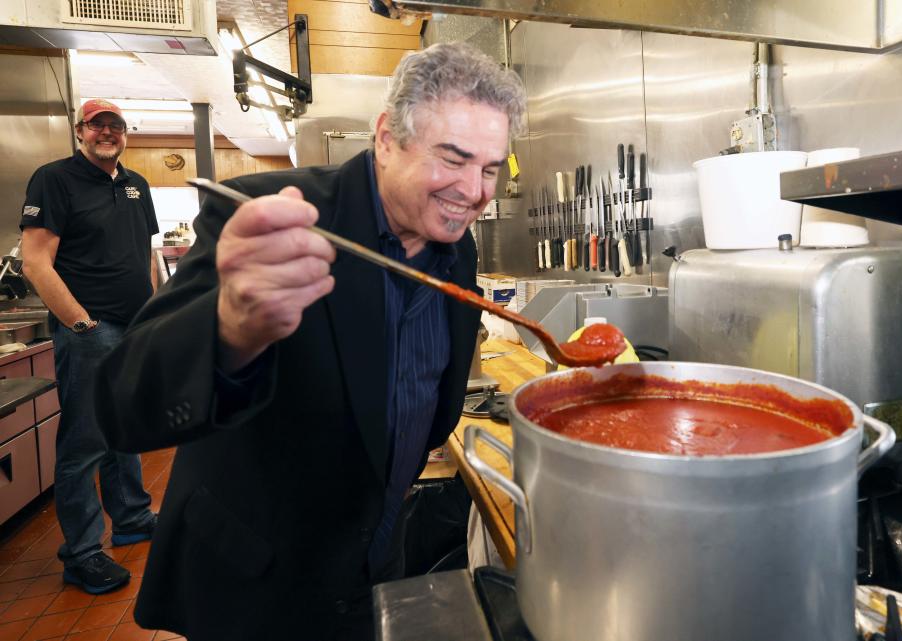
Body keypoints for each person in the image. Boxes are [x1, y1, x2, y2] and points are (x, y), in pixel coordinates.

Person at [94, 42, 526, 640]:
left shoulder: (458, 246)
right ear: (386, 138)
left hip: (375, 569)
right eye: (453, 158)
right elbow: (124, 406)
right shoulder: (270, 214)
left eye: (489, 168)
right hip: (259, 588)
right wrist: (227, 328)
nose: (475, 190)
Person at [20, 99, 159, 595]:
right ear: (81, 131)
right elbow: (36, 262)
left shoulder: (136, 184)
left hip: (133, 326)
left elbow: (143, 256)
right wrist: (81, 324)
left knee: (123, 429)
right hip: (90, 330)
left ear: (126, 134)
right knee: (84, 442)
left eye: (115, 126)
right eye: (97, 124)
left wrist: (151, 315)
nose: (107, 132)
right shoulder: (54, 179)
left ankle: (133, 518)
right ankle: (80, 554)